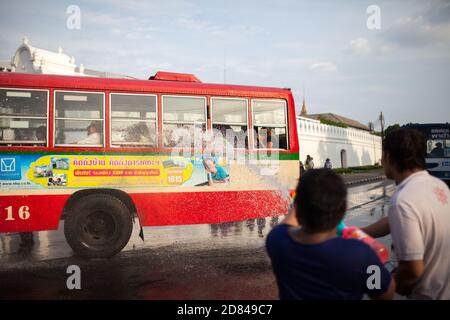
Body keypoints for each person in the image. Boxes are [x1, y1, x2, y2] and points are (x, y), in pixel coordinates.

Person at [266, 169, 395, 300]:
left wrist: (302, 197)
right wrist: (378, 262)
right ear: (344, 208)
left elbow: (289, 221)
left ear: (298, 206)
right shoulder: (361, 254)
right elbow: (385, 294)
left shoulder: (277, 240)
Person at [362, 128, 450, 299]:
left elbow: (412, 269)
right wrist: (358, 233)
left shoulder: (403, 200)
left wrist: (390, 283)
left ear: (388, 156)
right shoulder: (439, 186)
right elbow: (395, 221)